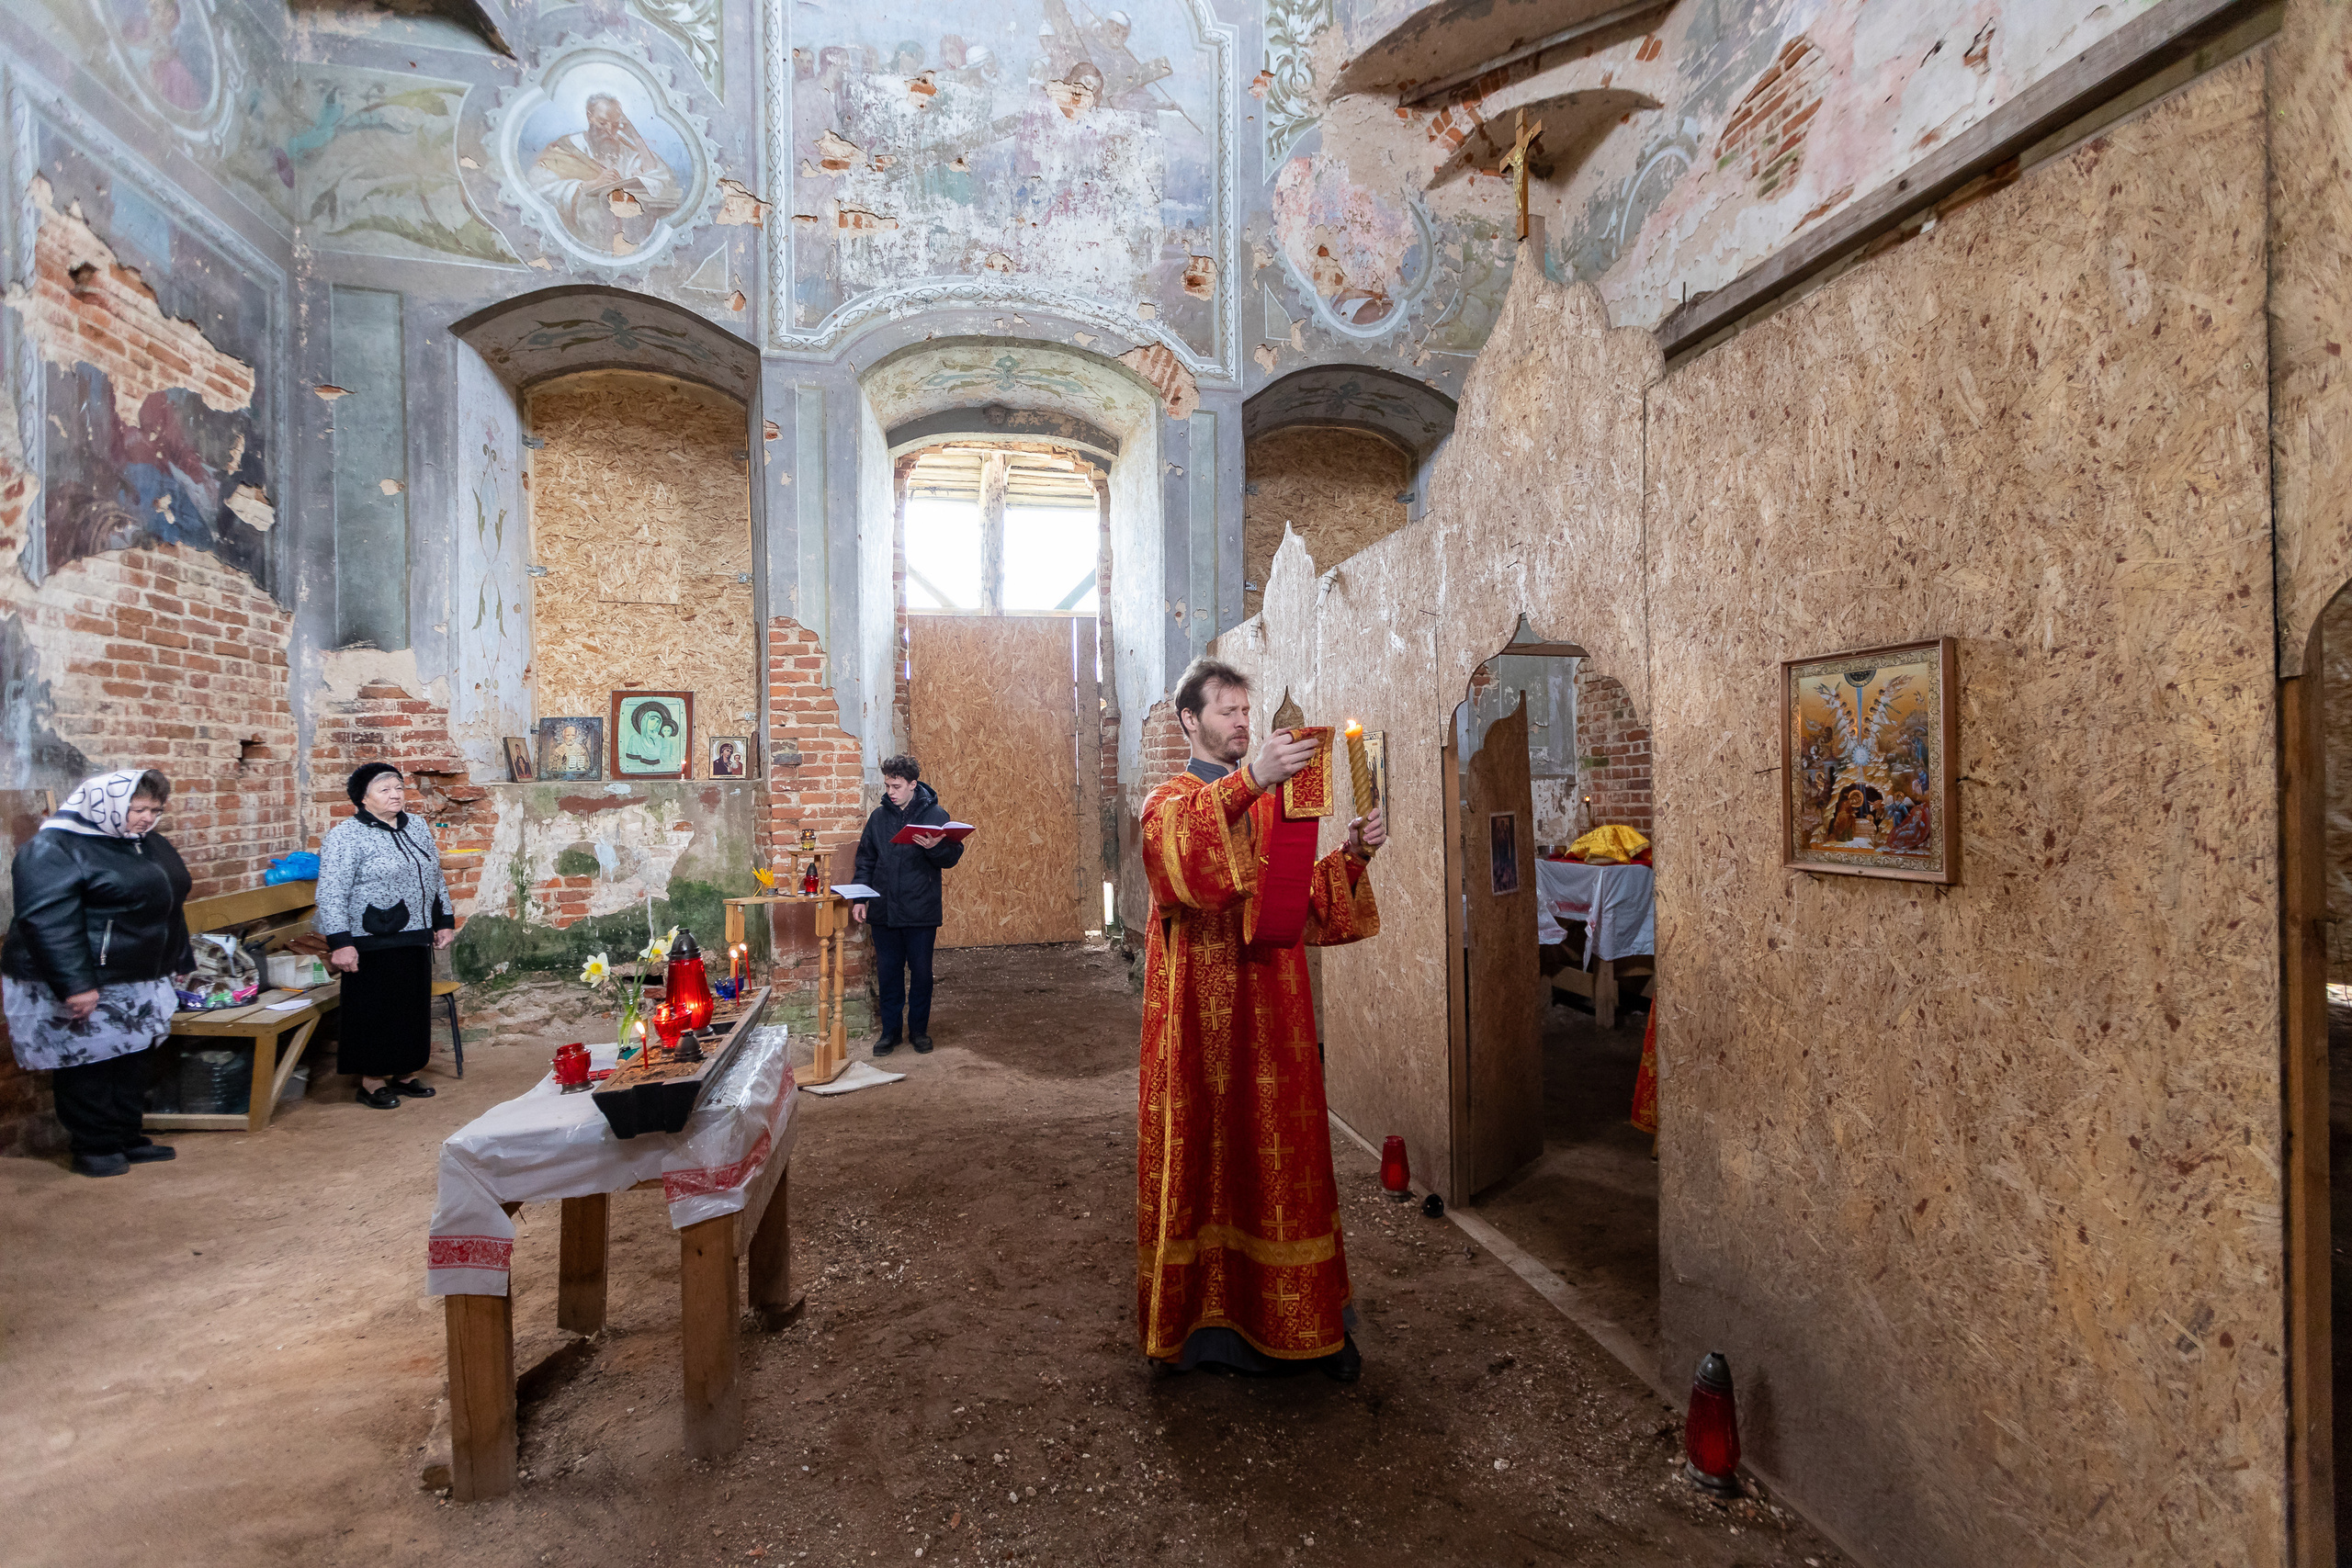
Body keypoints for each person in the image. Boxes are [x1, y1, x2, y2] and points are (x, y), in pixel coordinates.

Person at [1136, 659, 1385, 1382]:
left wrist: (1357, 850)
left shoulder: (1275, 806)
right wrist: (1253, 781)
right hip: (1197, 1038)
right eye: (1227, 711)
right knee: (1208, 1164)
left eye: (1248, 711)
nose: (1242, 722)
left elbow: (1303, 902)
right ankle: (1199, 1331)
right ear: (1191, 720)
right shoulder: (1169, 800)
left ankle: (1301, 1324)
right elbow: (1175, 861)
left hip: (1274, 1021)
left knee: (1279, 1163)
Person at [2, 769, 191, 1177]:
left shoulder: (146, 844)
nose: (146, 818)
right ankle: (94, 1146)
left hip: (137, 975)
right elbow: (46, 921)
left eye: (154, 810)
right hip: (83, 975)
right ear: (104, 805)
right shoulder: (55, 846)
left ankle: (126, 1137)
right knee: (88, 1062)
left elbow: (170, 908)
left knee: (133, 1059)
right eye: (136, 808)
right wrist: (76, 985)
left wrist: (176, 962)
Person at [316, 763, 456, 1109]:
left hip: (415, 935)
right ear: (362, 798)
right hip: (370, 939)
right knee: (373, 1011)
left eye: (398, 787)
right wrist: (341, 943)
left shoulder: (417, 827)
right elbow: (331, 892)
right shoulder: (345, 836)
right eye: (385, 789)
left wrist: (443, 920)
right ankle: (371, 1080)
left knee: (411, 1007)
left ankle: (405, 1073)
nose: (395, 794)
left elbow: (435, 877)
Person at [851, 754, 964, 1055]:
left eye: (897, 786)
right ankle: (890, 1034)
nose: (891, 791)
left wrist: (936, 847)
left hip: (920, 910)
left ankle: (919, 1032)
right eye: (888, 785)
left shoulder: (936, 815)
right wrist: (861, 898)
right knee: (888, 974)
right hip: (884, 911)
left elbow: (952, 858)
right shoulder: (878, 819)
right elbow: (865, 860)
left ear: (913, 784)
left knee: (922, 974)